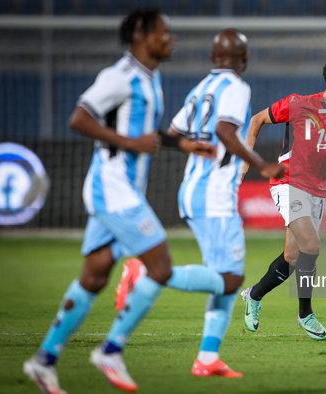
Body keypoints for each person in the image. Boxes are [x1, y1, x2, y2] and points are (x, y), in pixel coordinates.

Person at [21, 9, 223, 394]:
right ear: (141, 35)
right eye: (164, 32)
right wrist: (131, 144)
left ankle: (43, 361)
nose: (171, 38)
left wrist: (180, 143)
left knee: (94, 276)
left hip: (122, 189)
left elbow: (145, 131)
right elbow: (79, 118)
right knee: (160, 266)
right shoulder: (120, 76)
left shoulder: (151, 78)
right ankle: (112, 350)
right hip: (111, 188)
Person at [115, 29, 285, 378]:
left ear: (213, 58)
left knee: (220, 276)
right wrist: (261, 164)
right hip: (215, 195)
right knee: (232, 278)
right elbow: (225, 130)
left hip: (191, 188)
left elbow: (175, 134)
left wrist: (196, 146)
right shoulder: (236, 88)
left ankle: (208, 357)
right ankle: (145, 273)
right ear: (245, 59)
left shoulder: (200, 89)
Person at [240, 58, 326, 340]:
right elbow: (257, 119)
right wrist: (245, 162)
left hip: (318, 189)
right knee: (311, 245)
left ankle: (254, 295)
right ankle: (305, 314)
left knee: (292, 256)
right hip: (288, 182)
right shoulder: (298, 104)